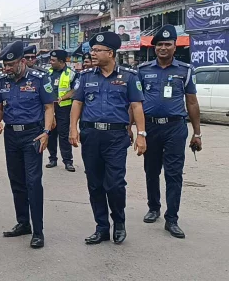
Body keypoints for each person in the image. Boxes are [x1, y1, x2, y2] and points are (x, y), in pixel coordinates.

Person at [69, 31, 146, 245]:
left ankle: (119, 223)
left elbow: (136, 106)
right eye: (92, 50)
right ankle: (101, 227)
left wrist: (141, 134)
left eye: (96, 50)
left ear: (110, 53)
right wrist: (72, 129)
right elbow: (77, 103)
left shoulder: (129, 77)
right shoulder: (86, 77)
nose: (92, 53)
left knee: (114, 184)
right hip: (91, 135)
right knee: (94, 184)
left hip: (116, 136)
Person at [138, 25, 202, 239]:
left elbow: (191, 102)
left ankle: (171, 218)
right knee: (151, 170)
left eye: (167, 44)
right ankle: (154, 207)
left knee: (173, 174)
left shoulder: (185, 70)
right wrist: (134, 129)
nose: (163, 48)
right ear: (154, 47)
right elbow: (135, 103)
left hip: (175, 128)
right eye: (159, 44)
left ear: (175, 47)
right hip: (150, 127)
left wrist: (197, 133)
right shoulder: (143, 70)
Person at [0, 41, 54, 248]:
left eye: (10, 65)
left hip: (33, 135)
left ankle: (38, 231)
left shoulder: (39, 79)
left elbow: (48, 107)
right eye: (4, 65)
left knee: (33, 182)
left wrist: (46, 132)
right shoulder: (3, 81)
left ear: (21, 62)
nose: (6, 69)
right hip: (11, 135)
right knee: (16, 181)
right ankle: (23, 223)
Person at [46, 49, 77, 172]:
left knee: (63, 135)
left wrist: (63, 97)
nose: (51, 62)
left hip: (64, 107)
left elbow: (75, 90)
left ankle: (68, 161)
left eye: (53, 60)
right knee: (50, 133)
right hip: (49, 107)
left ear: (61, 61)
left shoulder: (71, 73)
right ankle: (52, 158)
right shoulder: (47, 73)